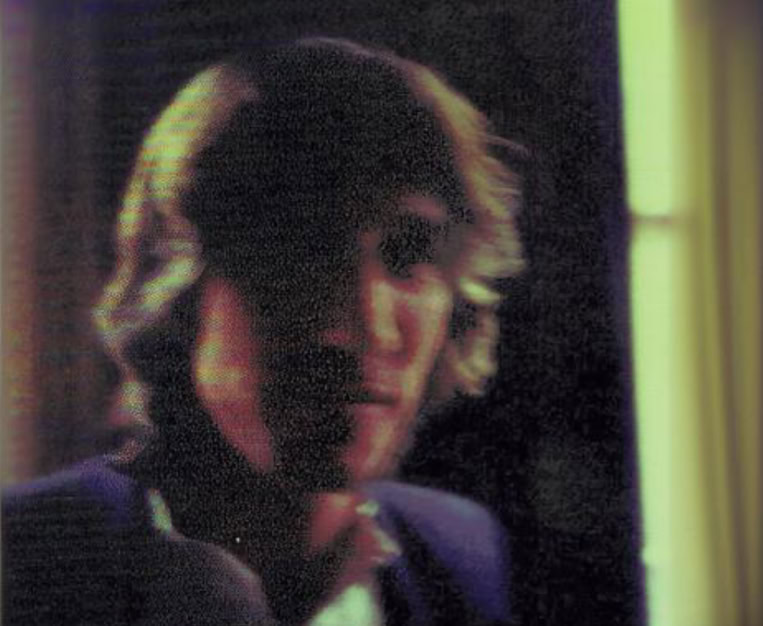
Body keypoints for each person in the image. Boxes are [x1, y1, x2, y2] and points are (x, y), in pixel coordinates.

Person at [3, 38, 524, 625]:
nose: (369, 329)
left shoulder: (458, 553)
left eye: (408, 256)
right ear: (180, 290)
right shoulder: (28, 557)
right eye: (308, 250)